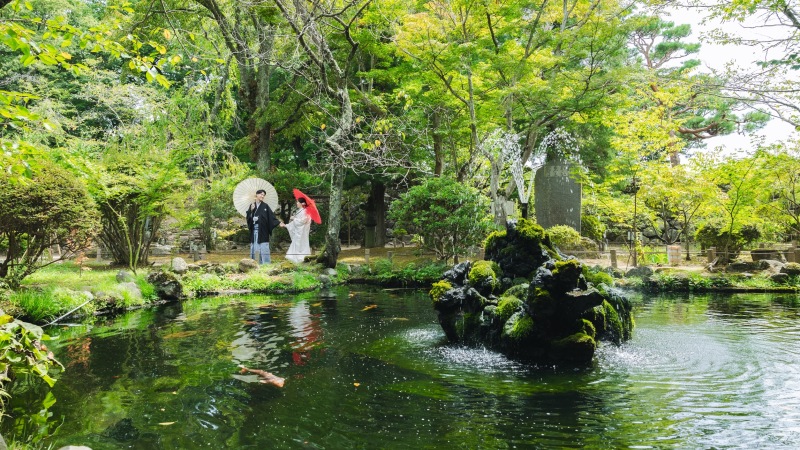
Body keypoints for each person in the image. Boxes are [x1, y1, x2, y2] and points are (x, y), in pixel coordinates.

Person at [246, 189, 282, 264]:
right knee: (256, 247)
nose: (262, 196)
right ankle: (256, 262)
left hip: (263, 231)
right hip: (255, 231)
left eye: (264, 195)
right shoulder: (252, 205)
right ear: (257, 195)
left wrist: (278, 223)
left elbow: (271, 217)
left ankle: (266, 263)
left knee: (263, 247)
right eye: (261, 194)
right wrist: (251, 212)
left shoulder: (265, 206)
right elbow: (248, 218)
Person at [280, 197, 312, 263]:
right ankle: (295, 260)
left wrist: (294, 218)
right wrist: (286, 225)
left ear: (302, 203)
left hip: (302, 232)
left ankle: (301, 259)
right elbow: (295, 223)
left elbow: (302, 221)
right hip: (299, 232)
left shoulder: (305, 211)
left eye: (298, 202)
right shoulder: (301, 210)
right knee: (297, 244)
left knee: (301, 245)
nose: (296, 203)